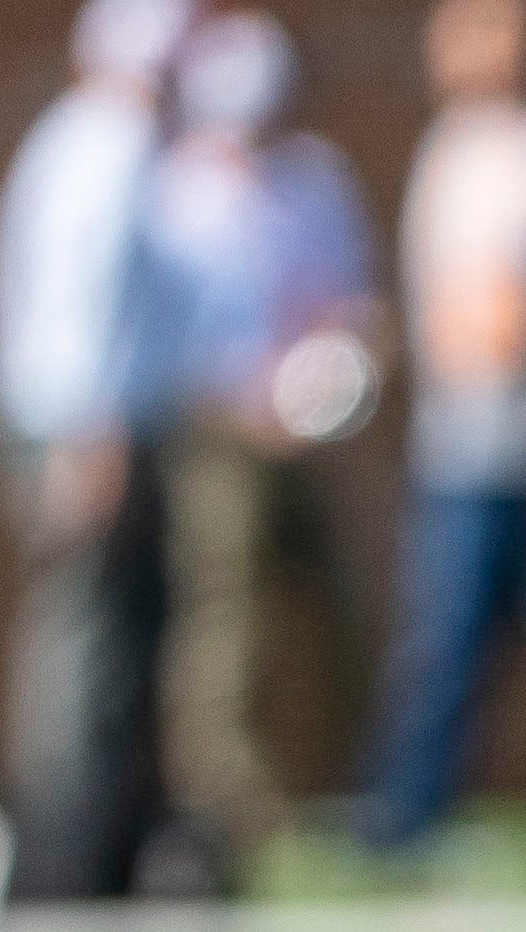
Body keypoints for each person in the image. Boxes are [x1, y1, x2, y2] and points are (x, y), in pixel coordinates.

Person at [149, 10, 379, 873]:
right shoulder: (178, 188)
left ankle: (345, 786)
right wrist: (238, 402)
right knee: (225, 616)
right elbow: (173, 333)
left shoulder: (315, 179)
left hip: (308, 431)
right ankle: (223, 801)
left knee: (334, 609)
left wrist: (326, 392)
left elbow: (351, 308)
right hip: (216, 432)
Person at [361, 0, 526, 861]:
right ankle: (401, 828)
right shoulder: (459, 152)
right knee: (445, 650)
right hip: (472, 450)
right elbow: (475, 325)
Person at [0, 0, 194, 902]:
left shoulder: (90, 140)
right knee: (83, 640)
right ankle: (64, 850)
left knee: (109, 639)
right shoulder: (107, 144)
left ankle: (97, 841)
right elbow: (79, 302)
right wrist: (89, 429)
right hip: (83, 427)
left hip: (87, 421)